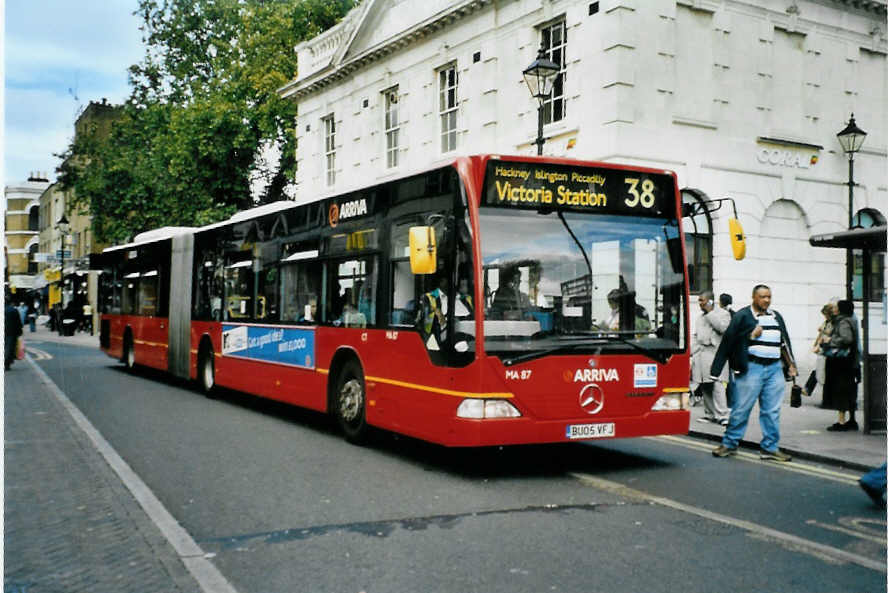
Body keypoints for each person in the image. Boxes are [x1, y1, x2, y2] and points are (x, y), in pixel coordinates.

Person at [710, 284, 797, 462]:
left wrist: (791, 365)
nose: (766, 300)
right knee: (741, 408)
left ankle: (770, 448)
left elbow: (783, 343)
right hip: (751, 368)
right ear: (753, 297)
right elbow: (729, 341)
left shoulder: (776, 316)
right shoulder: (743, 315)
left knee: (772, 411)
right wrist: (750, 335)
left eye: (769, 297)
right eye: (762, 297)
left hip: (774, 369)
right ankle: (729, 444)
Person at [691, 291, 731, 425]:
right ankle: (710, 414)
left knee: (717, 384)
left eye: (702, 300)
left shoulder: (723, 314)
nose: (700, 303)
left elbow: (723, 328)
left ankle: (723, 415)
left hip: (715, 353)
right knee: (704, 385)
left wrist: (710, 312)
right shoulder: (699, 317)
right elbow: (696, 337)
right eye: (699, 300)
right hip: (701, 353)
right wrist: (691, 352)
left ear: (710, 301)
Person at [823, 299, 861, 432]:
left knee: (841, 391)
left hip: (842, 363)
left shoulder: (843, 321)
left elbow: (847, 339)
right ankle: (852, 420)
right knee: (850, 391)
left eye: (836, 307)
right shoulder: (852, 320)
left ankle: (841, 421)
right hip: (851, 362)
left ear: (840, 309)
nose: (834, 309)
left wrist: (830, 340)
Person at [805, 302, 835, 400]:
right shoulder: (827, 322)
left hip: (827, 349)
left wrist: (823, 333)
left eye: (826, 315)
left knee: (818, 370)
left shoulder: (833, 323)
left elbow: (828, 334)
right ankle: (808, 389)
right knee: (818, 369)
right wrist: (816, 344)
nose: (825, 317)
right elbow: (821, 333)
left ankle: (808, 389)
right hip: (822, 348)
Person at [5, 297, 24, 370]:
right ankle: (7, 363)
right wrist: (19, 332)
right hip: (11, 332)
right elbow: (18, 322)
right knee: (9, 347)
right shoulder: (13, 310)